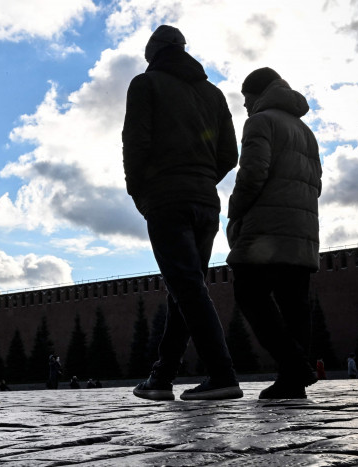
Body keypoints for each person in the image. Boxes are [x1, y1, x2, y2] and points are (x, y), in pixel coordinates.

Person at [123, 25, 241, 401]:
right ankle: (162, 377)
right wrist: (203, 178)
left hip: (167, 198)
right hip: (206, 202)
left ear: (152, 54)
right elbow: (229, 156)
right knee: (186, 290)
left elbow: (135, 143)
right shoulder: (214, 93)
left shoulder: (146, 84)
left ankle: (222, 375)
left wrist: (140, 192)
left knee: (186, 287)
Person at [227, 67, 322, 399]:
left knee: (249, 293)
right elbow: (317, 184)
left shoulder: (260, 121)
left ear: (258, 93)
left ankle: (295, 366)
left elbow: (253, 173)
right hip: (303, 230)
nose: (244, 106)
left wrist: (234, 209)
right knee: (295, 304)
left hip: (266, 230)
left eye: (245, 98)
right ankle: (292, 383)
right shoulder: (305, 130)